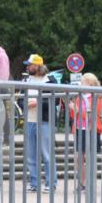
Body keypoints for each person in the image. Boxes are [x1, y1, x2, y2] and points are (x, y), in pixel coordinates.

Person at [22, 54, 58, 193]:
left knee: (47, 154)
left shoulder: (50, 80)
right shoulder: (25, 80)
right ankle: (34, 183)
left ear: (37, 66)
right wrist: (24, 103)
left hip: (45, 120)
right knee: (31, 155)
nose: (27, 67)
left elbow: (53, 100)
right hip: (30, 120)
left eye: (29, 64)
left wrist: (37, 101)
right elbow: (20, 98)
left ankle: (50, 183)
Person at [68, 73, 102, 192]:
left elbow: (92, 115)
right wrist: (73, 109)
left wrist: (77, 110)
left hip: (91, 130)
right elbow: (74, 115)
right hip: (79, 129)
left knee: (90, 158)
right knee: (78, 157)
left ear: (91, 83)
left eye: (83, 82)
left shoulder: (96, 97)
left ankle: (90, 183)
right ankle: (82, 183)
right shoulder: (79, 96)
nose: (81, 84)